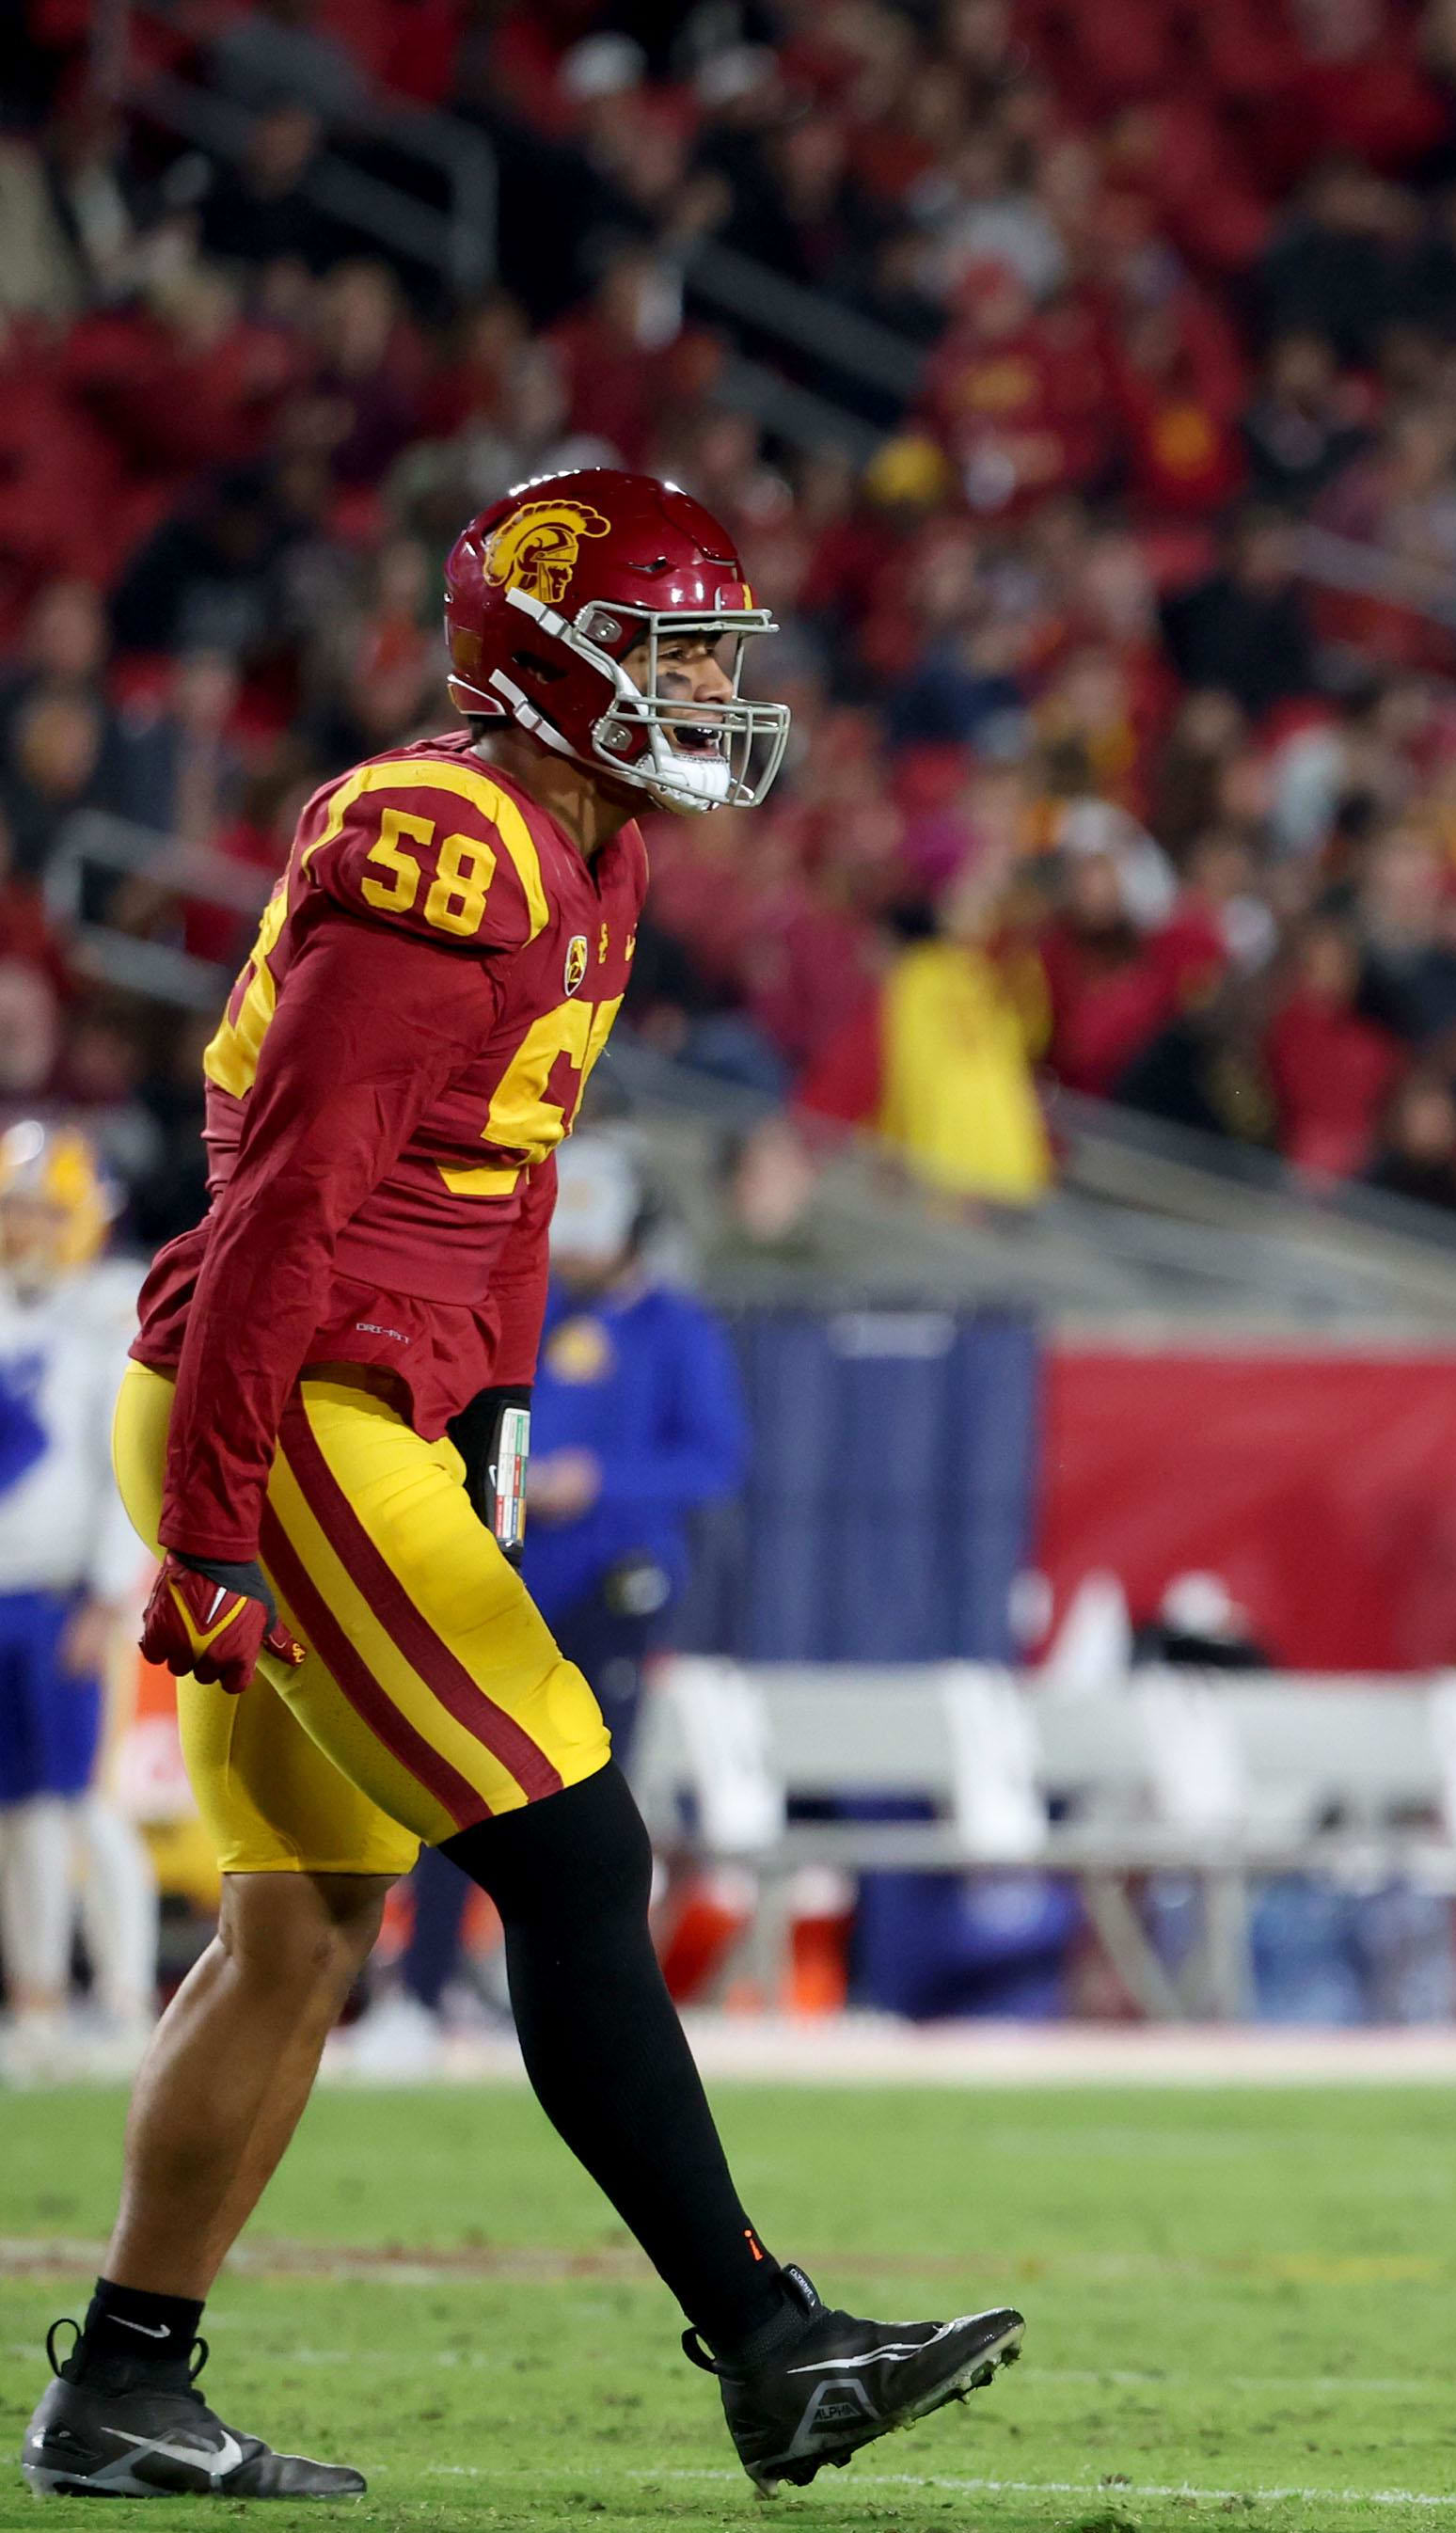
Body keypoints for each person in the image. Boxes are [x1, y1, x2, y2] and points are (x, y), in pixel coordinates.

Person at [24, 472, 1021, 2502]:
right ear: (544, 654)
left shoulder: (590, 840)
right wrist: (218, 1520)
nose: (704, 689)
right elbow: (291, 1202)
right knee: (575, 1853)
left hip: (352, 1404)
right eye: (666, 649)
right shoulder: (439, 842)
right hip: (283, 1394)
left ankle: (124, 2379)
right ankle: (771, 2340)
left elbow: (507, 1176)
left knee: (302, 1926)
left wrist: (484, 1425)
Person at [350, 1136, 744, 2073]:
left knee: (589, 1810)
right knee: (465, 1790)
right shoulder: (534, 1306)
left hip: (612, 1588)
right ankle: (426, 1983)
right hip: (510, 1584)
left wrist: (601, 1479)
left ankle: (580, 2004)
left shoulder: (676, 1327)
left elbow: (716, 1460)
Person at [0, 1126, 158, 2060]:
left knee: (89, 1802)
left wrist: (109, 1591)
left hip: (68, 1595)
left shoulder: (114, 1309)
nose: (25, 1227)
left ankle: (132, 1997)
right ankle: (41, 2003)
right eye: (15, 1208)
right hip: (7, 1589)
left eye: (42, 1209)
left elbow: (127, 1463)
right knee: (17, 1814)